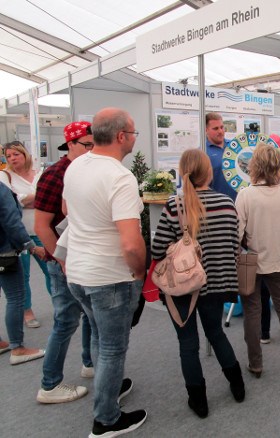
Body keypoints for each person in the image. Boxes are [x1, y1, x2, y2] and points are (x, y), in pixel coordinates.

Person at [63, 108, 147, 437]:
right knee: (113, 347)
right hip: (109, 277)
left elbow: (69, 211)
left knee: (99, 337)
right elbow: (130, 243)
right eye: (134, 133)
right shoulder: (120, 177)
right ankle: (106, 419)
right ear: (121, 136)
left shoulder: (77, 165)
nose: (134, 139)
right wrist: (139, 273)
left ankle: (106, 389)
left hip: (78, 273)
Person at [152, 149, 245, 418]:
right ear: (210, 172)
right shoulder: (228, 203)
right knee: (216, 333)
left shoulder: (174, 206)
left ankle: (199, 402)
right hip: (216, 284)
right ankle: (237, 386)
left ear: (183, 173)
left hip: (182, 287)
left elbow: (158, 250)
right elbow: (233, 247)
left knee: (188, 344)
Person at [34, 122, 95, 403]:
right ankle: (50, 384)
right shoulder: (55, 175)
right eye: (87, 144)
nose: (92, 150)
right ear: (70, 144)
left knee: (91, 316)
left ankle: (90, 362)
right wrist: (61, 260)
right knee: (66, 321)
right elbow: (42, 226)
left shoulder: (87, 171)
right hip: (65, 261)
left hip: (85, 258)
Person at [235, 142, 280, 377]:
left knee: (252, 312)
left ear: (255, 165)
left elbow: (237, 233)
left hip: (251, 262)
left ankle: (256, 364)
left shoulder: (245, 195)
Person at [1, 141, 51, 328]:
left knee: (51, 271)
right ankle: (27, 311)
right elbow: (14, 202)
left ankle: (59, 303)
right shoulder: (5, 176)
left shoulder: (40, 174)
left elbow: (45, 198)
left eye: (16, 154)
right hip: (17, 235)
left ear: (25, 154)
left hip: (41, 230)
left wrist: (26, 199)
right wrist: (33, 199)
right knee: (23, 276)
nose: (13, 158)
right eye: (9, 156)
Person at [0, 182, 46, 365]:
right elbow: (11, 222)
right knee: (16, 297)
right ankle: (18, 348)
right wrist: (31, 246)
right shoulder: (1, 190)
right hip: (5, 252)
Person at [205, 112, 238, 201]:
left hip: (239, 205)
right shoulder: (202, 152)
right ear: (206, 130)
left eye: (222, 127)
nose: (220, 131)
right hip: (216, 207)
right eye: (215, 128)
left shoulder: (234, 146)